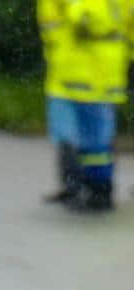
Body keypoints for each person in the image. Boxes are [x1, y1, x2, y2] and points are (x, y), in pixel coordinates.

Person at [38, 0, 134, 210]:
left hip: (93, 74)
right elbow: (50, 21)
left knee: (94, 139)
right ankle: (79, 186)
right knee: (73, 135)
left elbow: (87, 18)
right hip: (72, 71)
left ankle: (97, 188)